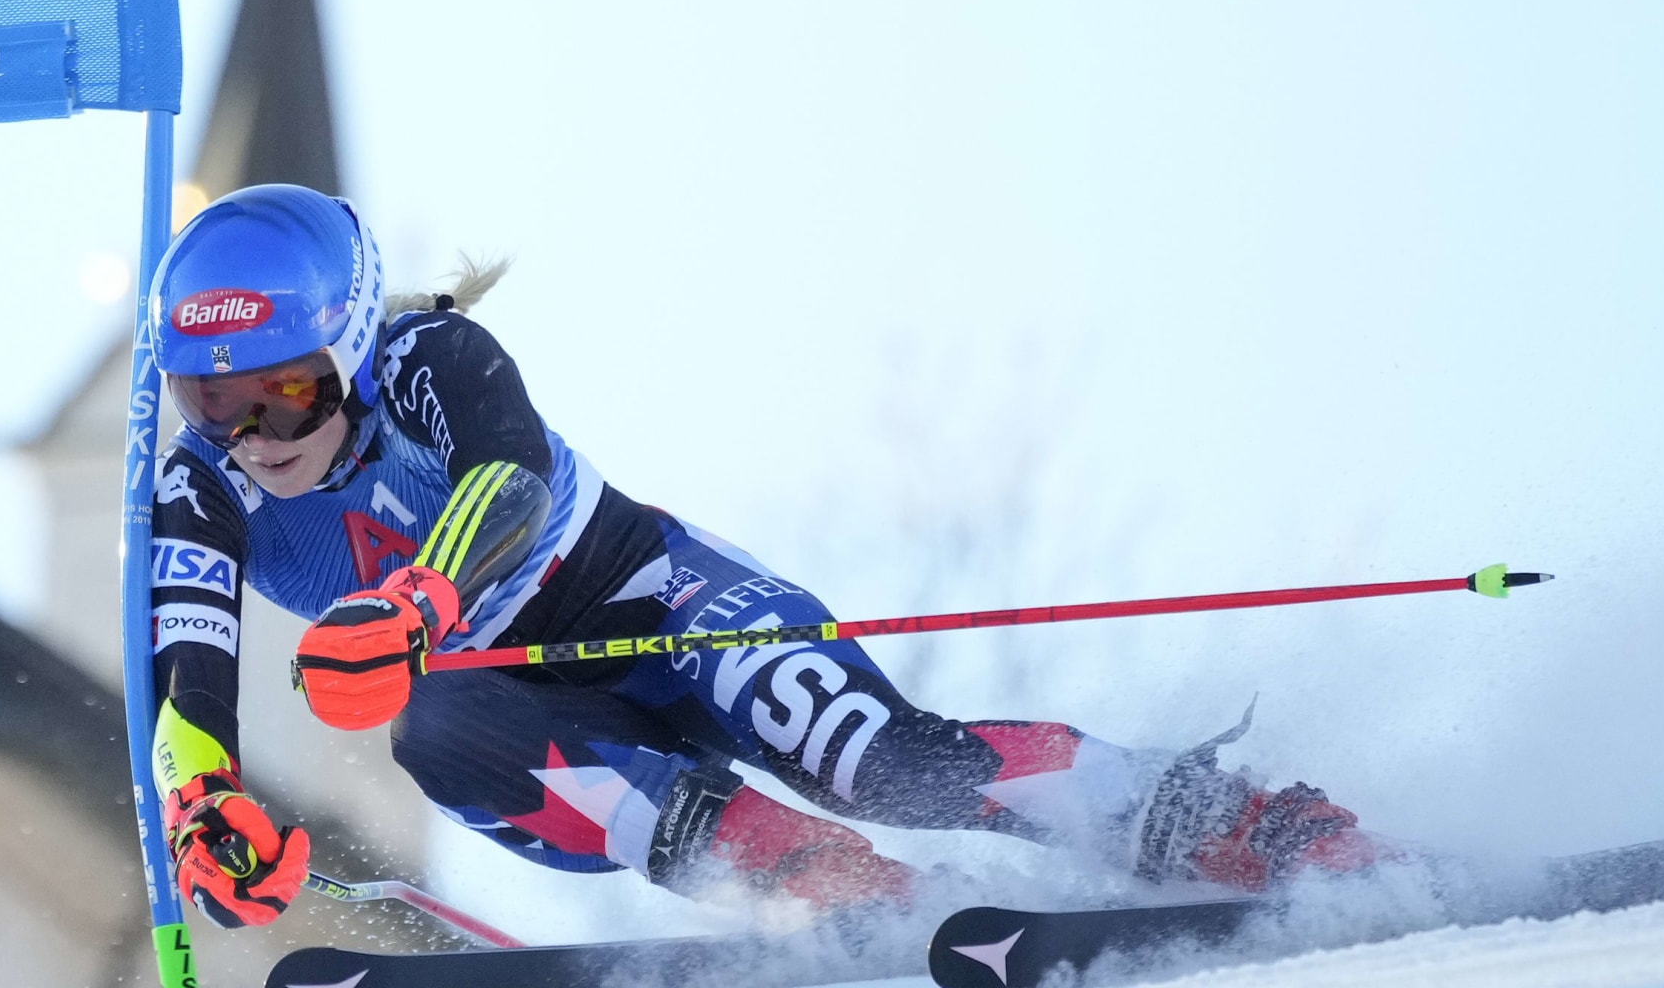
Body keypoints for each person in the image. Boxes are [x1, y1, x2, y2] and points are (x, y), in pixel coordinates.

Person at [145, 183, 1381, 932]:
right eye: (215, 404)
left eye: (286, 392)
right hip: (515, 687)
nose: (251, 435)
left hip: (653, 597)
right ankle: (832, 888)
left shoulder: (433, 359)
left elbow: (506, 479)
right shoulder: (199, 486)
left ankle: (1252, 827)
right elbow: (186, 662)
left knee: (882, 762)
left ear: (352, 351)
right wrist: (204, 800)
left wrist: (416, 598)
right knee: (436, 730)